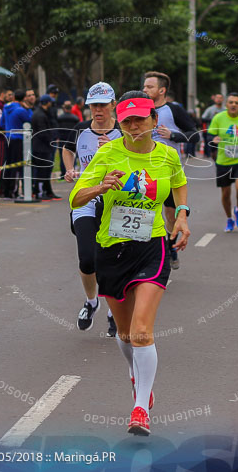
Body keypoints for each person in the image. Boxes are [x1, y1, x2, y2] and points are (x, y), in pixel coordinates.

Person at [69, 91, 190, 436]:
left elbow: (179, 186)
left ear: (155, 120)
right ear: (120, 124)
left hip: (152, 246)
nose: (135, 125)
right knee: (124, 334)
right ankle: (137, 375)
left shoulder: (167, 156)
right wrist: (98, 188)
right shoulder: (108, 153)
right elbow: (76, 195)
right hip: (111, 248)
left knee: (141, 331)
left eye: (141, 118)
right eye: (127, 120)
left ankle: (140, 407)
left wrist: (182, 215)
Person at [62, 82, 121, 336]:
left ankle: (113, 311)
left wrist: (113, 151)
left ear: (113, 105)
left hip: (115, 202)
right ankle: (92, 301)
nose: (98, 110)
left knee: (111, 259)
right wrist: (69, 169)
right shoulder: (80, 130)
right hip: (86, 198)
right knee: (87, 257)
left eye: (103, 105)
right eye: (93, 105)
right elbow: (67, 149)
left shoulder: (122, 133)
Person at [142, 71, 197, 269]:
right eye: (144, 86)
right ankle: (149, 254)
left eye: (149, 87)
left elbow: (195, 134)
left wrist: (173, 135)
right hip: (143, 170)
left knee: (170, 214)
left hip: (168, 170)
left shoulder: (173, 110)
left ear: (162, 90)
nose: (145, 90)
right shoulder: (141, 109)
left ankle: (171, 247)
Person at [207, 93, 238, 231]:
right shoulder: (218, 118)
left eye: (236, 102)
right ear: (226, 105)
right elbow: (209, 134)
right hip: (223, 160)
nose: (233, 104)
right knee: (225, 193)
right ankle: (229, 218)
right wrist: (213, 140)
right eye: (231, 102)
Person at [4, 88, 36, 199]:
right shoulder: (21, 110)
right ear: (24, 98)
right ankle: (17, 190)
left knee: (9, 165)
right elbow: (31, 121)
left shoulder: (5, 108)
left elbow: (1, 122)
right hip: (19, 139)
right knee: (19, 166)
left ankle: (8, 190)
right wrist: (29, 109)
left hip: (8, 137)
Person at [31, 95, 60, 200]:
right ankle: (40, 191)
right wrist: (51, 140)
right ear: (46, 103)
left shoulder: (42, 113)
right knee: (42, 170)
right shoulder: (40, 115)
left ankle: (45, 191)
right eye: (50, 102)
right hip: (41, 147)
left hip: (42, 146)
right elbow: (42, 132)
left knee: (45, 170)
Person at [57, 100, 81, 176]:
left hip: (62, 138)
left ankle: (63, 173)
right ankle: (72, 171)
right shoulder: (75, 118)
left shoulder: (60, 118)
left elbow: (57, 128)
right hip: (72, 139)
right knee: (72, 156)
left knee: (62, 157)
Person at [201, 94, 225, 158]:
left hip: (222, 132)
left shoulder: (225, 110)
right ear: (214, 99)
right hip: (212, 132)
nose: (219, 99)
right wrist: (213, 119)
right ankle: (209, 155)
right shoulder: (210, 109)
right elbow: (203, 119)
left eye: (220, 98)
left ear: (223, 99)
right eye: (217, 98)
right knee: (212, 149)